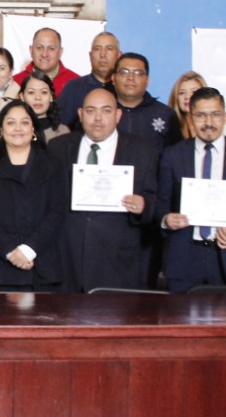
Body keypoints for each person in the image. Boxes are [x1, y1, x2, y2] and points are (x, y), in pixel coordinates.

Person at [157, 88, 226, 292]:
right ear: (191, 119)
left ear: (225, 116)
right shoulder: (172, 155)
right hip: (184, 259)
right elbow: (160, 203)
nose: (209, 122)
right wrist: (166, 219)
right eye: (201, 115)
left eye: (215, 114)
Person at [50, 88, 158, 291]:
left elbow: (156, 202)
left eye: (106, 111)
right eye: (91, 111)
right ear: (80, 114)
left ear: (118, 115)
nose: (98, 118)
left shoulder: (142, 151)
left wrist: (144, 205)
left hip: (117, 263)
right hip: (66, 261)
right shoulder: (57, 148)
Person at [0, 99, 68, 291]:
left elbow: (57, 212)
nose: (18, 128)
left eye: (24, 122)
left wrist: (29, 250)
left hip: (43, 264)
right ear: (1, 130)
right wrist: (11, 252)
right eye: (11, 123)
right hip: (1, 266)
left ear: (33, 129)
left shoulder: (53, 164)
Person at [111, 52, 182, 158]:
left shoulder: (166, 115)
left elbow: (177, 159)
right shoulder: (102, 112)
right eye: (124, 72)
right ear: (113, 78)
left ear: (147, 80)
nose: (131, 77)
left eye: (138, 73)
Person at [58, 30, 120, 127]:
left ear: (119, 55)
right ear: (90, 56)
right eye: (97, 49)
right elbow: (61, 128)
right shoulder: (73, 88)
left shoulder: (124, 89)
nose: (103, 54)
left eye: (109, 49)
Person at [12, 27, 78, 97]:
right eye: (39, 47)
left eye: (51, 48)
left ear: (60, 52)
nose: (44, 54)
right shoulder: (15, 83)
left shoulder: (76, 83)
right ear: (31, 50)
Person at [20, 71, 70, 143]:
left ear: (51, 96)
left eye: (44, 92)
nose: (38, 97)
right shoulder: (13, 130)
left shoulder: (63, 132)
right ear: (22, 96)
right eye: (31, 92)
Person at [167, 71, 208, 140]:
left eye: (194, 92)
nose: (187, 97)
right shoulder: (168, 129)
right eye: (182, 93)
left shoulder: (217, 127)